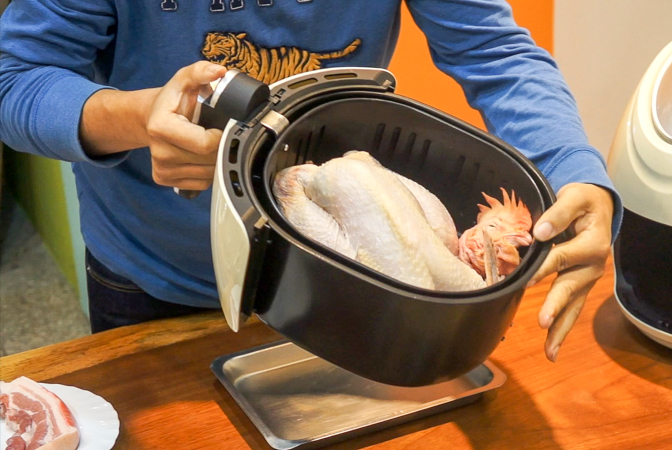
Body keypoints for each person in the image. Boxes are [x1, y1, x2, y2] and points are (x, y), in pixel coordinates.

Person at [0, 0, 621, 363]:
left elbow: (494, 51)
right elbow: (15, 79)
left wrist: (574, 168)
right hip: (153, 274)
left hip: (345, 275)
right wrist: (138, 119)